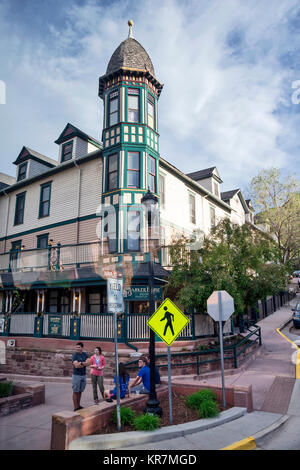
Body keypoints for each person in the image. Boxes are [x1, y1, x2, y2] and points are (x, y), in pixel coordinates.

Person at [72, 342, 90, 411]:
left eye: (79, 347)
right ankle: (75, 407)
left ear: (82, 348)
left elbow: (89, 362)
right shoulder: (75, 355)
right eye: (76, 347)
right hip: (76, 375)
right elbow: (76, 365)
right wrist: (84, 363)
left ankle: (78, 405)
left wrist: (81, 363)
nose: (77, 348)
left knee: (80, 391)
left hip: (83, 375)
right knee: (75, 391)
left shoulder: (84, 354)